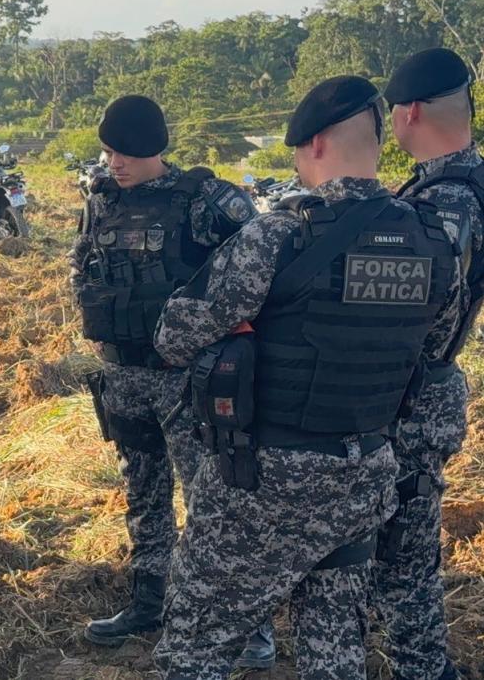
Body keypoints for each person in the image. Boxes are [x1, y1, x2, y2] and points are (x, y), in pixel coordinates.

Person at [151, 75, 464, 679]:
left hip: (265, 482)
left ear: (314, 145)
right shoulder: (435, 240)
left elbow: (175, 336)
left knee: (196, 647)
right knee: (336, 646)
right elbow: (432, 347)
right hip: (367, 475)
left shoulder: (279, 234)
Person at [71, 95, 271, 666]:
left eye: (126, 152)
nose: (115, 162)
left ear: (154, 149)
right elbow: (82, 262)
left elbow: (260, 269)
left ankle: (244, 625)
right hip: (125, 374)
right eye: (108, 150)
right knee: (144, 492)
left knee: (213, 498)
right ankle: (149, 601)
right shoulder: (100, 201)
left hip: (189, 379)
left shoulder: (208, 199)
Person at [375, 47, 482, 680]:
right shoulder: (453, 183)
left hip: (413, 393)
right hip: (421, 388)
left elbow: (425, 312)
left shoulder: (449, 198)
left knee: (409, 541)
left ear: (410, 112)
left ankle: (423, 665)